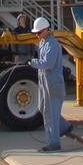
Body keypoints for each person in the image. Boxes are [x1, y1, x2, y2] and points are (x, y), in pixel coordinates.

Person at [30, 15, 73, 152]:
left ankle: (54, 143)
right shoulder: (43, 42)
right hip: (45, 81)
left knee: (51, 113)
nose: (36, 35)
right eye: (35, 33)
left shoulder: (52, 44)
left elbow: (48, 63)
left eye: (38, 32)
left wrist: (33, 63)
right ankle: (64, 127)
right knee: (43, 108)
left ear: (46, 30)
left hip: (53, 83)